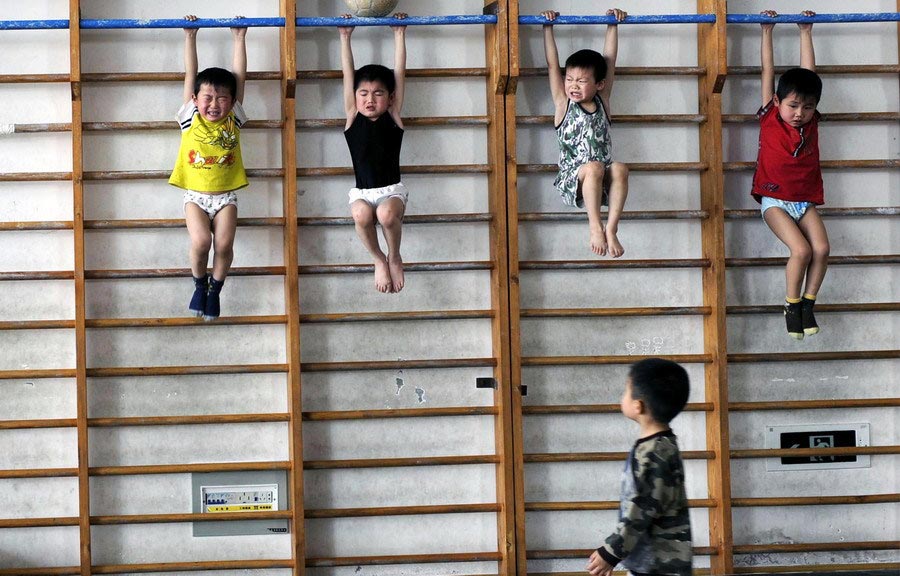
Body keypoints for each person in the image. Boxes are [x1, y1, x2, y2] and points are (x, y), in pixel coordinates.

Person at [754, 10, 829, 340]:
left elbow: (808, 74)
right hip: (774, 201)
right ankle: (790, 304)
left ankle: (807, 304)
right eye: (793, 105)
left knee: (822, 249)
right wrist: (766, 32)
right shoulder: (771, 117)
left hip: (803, 201)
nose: (800, 113)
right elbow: (767, 73)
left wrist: (805, 31)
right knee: (801, 251)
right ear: (777, 102)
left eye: (807, 107)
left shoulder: (810, 122)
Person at [169, 15, 248, 321]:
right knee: (202, 241)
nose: (214, 104)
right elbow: (191, 73)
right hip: (195, 196)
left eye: (222, 98)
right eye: (207, 97)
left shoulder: (234, 119)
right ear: (195, 99)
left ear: (231, 102)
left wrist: (239, 38)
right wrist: (190, 36)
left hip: (226, 196)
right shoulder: (189, 118)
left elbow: (239, 76)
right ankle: (199, 284)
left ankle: (216, 288)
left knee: (225, 244)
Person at [587, 358, 692, 576]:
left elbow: (640, 509)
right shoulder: (658, 446)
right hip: (651, 560)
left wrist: (611, 552)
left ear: (638, 405)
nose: (622, 396)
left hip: (658, 564)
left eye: (626, 391)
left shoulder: (655, 453)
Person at [542, 8, 629, 257]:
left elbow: (609, 60)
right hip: (573, 180)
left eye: (581, 81)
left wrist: (612, 24)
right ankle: (594, 227)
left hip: (599, 177)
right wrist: (546, 27)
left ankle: (610, 229)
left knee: (620, 168)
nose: (573, 86)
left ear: (599, 84)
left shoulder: (603, 100)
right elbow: (551, 65)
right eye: (569, 79)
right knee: (593, 167)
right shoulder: (563, 103)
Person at [339, 13, 408, 293]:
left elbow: (399, 73)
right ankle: (378, 259)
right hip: (362, 192)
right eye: (364, 93)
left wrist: (399, 34)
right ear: (355, 97)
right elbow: (347, 75)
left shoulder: (394, 114)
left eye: (378, 93)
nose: (370, 99)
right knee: (361, 215)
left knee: (387, 214)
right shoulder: (352, 117)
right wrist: (345, 36)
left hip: (392, 190)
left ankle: (394, 255)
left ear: (390, 98)